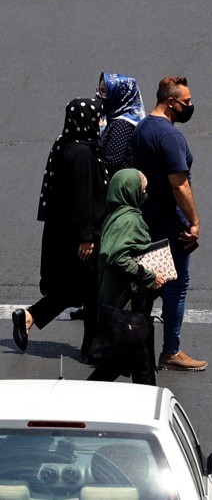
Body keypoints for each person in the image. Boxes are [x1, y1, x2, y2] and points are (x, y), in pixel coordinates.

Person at [13, 99, 108, 356]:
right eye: (98, 117)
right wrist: (87, 237)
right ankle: (93, 347)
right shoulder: (82, 154)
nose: (100, 122)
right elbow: (82, 198)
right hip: (82, 237)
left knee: (76, 289)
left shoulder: (70, 145)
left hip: (70, 234)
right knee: (92, 291)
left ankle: (29, 317)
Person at [130, 76, 206, 372]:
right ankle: (171, 351)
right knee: (176, 285)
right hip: (170, 222)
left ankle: (135, 342)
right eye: (186, 102)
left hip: (148, 219)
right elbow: (180, 185)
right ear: (171, 102)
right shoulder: (170, 136)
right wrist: (194, 221)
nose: (189, 106)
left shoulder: (143, 127)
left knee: (151, 284)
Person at [88, 169, 166, 384]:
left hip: (114, 297)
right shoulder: (129, 220)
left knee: (121, 361)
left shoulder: (115, 215)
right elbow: (116, 256)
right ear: (129, 191)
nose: (144, 195)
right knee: (137, 357)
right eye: (142, 190)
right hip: (125, 304)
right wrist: (149, 277)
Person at [96, 72, 145, 173]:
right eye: (99, 91)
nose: (99, 96)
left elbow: (111, 162)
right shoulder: (112, 119)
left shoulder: (121, 124)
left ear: (118, 96)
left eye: (104, 92)